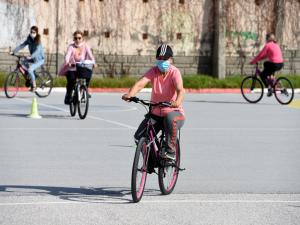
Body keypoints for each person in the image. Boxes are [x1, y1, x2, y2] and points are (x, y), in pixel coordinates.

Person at [122, 44, 185, 161]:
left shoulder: (174, 72)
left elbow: (180, 89)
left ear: (171, 59)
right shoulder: (154, 71)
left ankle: (170, 151)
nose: (162, 62)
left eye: (165, 59)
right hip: (155, 113)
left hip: (174, 112)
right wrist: (130, 95)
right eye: (159, 59)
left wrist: (177, 102)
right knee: (138, 136)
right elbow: (141, 83)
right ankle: (150, 161)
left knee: (171, 119)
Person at [59, 30, 96, 104]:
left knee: (87, 76)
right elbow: (67, 56)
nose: (77, 40)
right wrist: (68, 62)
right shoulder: (71, 46)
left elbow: (90, 55)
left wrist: (94, 63)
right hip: (72, 67)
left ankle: (84, 90)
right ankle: (68, 95)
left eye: (79, 38)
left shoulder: (85, 46)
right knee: (71, 80)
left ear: (82, 39)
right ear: (73, 39)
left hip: (81, 67)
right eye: (75, 38)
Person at [12, 26, 45, 91]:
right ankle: (29, 77)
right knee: (23, 61)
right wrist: (13, 51)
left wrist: (31, 56)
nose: (32, 33)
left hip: (39, 59)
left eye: (34, 32)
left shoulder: (38, 41)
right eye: (31, 32)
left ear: (36, 33)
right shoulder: (29, 39)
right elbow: (22, 45)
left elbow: (37, 51)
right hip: (32, 58)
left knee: (30, 69)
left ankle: (34, 86)